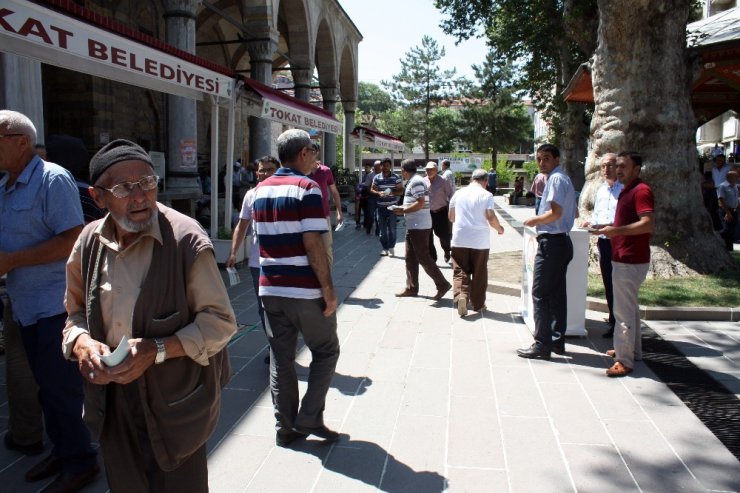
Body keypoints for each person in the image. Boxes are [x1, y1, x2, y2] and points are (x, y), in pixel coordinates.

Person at [62, 139, 236, 491]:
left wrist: (156, 349)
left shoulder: (186, 239)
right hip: (113, 403)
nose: (140, 195)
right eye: (124, 187)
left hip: (175, 403)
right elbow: (74, 314)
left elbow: (220, 323)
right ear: (99, 198)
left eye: (147, 182)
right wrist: (81, 343)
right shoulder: (88, 242)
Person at [0, 109, 99, 492]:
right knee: (43, 387)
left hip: (54, 305)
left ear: (21, 141)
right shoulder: (6, 186)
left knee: (60, 388)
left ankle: (81, 460)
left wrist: (12, 260)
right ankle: (64, 450)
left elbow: (72, 238)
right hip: (23, 305)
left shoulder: (52, 179)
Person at [252, 129, 340, 447]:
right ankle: (309, 417)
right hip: (303, 289)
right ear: (303, 152)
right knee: (327, 350)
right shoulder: (308, 187)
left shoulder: (260, 189)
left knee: (281, 358)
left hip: (270, 288)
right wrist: (328, 290)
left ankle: (285, 427)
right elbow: (313, 243)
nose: (317, 156)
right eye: (314, 150)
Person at [594, 151, 654, 377]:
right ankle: (631, 350)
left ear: (637, 169)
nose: (618, 170)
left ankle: (624, 360)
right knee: (630, 309)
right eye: (617, 166)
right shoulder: (628, 190)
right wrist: (607, 227)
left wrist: (615, 231)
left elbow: (647, 224)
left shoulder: (641, 191)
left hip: (630, 260)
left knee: (622, 312)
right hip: (624, 257)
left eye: (623, 166)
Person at [517, 144, 576, 360]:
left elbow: (555, 213)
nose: (542, 162)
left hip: (553, 243)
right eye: (539, 159)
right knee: (556, 295)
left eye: (547, 158)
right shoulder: (561, 178)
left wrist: (534, 220)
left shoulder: (556, 179)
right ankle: (556, 340)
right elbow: (572, 211)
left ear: (557, 159)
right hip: (559, 243)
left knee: (540, 293)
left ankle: (542, 344)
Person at [226, 156, 281, 364]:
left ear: (278, 171)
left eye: (270, 170)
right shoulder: (251, 194)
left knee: (283, 307)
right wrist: (233, 252)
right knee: (263, 308)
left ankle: (283, 344)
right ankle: (275, 346)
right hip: (258, 263)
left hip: (284, 260)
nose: (265, 173)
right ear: (256, 173)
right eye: (262, 170)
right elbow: (242, 226)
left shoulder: (286, 192)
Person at [449, 169, 504, 317]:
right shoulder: (486, 195)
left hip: (459, 238)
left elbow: (451, 217)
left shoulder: (458, 194)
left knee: (460, 271)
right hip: (480, 241)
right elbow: (490, 216)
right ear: (486, 181)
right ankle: (478, 305)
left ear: (472, 179)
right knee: (479, 272)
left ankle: (461, 296)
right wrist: (499, 229)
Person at [394, 159, 452, 300]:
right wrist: (403, 209)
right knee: (410, 257)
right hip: (413, 225)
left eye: (401, 171)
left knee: (423, 257)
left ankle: (442, 284)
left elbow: (420, 203)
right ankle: (412, 288)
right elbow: (419, 202)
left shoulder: (416, 181)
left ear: (404, 170)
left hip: (419, 227)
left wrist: (403, 211)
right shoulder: (415, 180)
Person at [580, 154, 623, 338]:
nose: (606, 169)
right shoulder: (601, 191)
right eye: (603, 166)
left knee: (620, 283)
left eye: (610, 165)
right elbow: (598, 216)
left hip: (620, 241)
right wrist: (589, 223)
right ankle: (613, 318)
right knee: (608, 281)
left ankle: (621, 322)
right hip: (604, 241)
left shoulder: (624, 190)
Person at [310, 143, 343, 265]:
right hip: (305, 215)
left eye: (313, 150)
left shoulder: (326, 171)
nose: (311, 153)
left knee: (327, 248)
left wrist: (339, 212)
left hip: (323, 215)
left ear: (317, 152)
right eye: (308, 150)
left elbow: (334, 192)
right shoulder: (301, 171)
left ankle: (327, 279)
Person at [371, 157, 403, 256]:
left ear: (390, 166)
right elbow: (372, 189)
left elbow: (401, 191)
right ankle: (384, 248)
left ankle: (391, 247)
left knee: (392, 229)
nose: (385, 167)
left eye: (387, 166)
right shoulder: (377, 177)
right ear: (381, 166)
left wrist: (392, 193)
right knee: (382, 231)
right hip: (380, 207)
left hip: (392, 208)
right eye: (383, 165)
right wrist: (378, 192)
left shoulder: (396, 177)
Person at [424, 161, 454, 263]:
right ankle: (433, 258)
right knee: (428, 236)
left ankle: (447, 251)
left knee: (444, 236)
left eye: (431, 169)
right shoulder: (423, 181)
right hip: (427, 213)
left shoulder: (443, 181)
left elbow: (451, 195)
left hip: (441, 212)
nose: (429, 171)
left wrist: (452, 210)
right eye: (427, 169)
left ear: (436, 170)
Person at [717, 170, 738, 251]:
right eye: (735, 176)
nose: (736, 178)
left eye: (737, 176)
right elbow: (721, 200)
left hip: (734, 210)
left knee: (732, 232)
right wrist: (727, 212)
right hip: (726, 210)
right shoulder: (722, 186)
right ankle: (716, 236)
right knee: (727, 229)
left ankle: (729, 249)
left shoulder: (735, 186)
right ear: (728, 177)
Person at [364, 160, 382, 235]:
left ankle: (378, 231)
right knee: (371, 215)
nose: (377, 168)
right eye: (376, 167)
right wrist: (373, 190)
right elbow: (366, 188)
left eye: (379, 167)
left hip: (381, 197)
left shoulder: (384, 175)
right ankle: (369, 228)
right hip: (372, 197)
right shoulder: (370, 175)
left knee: (379, 216)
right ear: (374, 167)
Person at [355, 162, 372, 229]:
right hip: (361, 195)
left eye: (367, 168)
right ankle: (358, 222)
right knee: (358, 209)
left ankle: (366, 223)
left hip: (368, 196)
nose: (365, 169)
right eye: (365, 168)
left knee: (366, 211)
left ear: (370, 168)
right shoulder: (364, 175)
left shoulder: (371, 175)